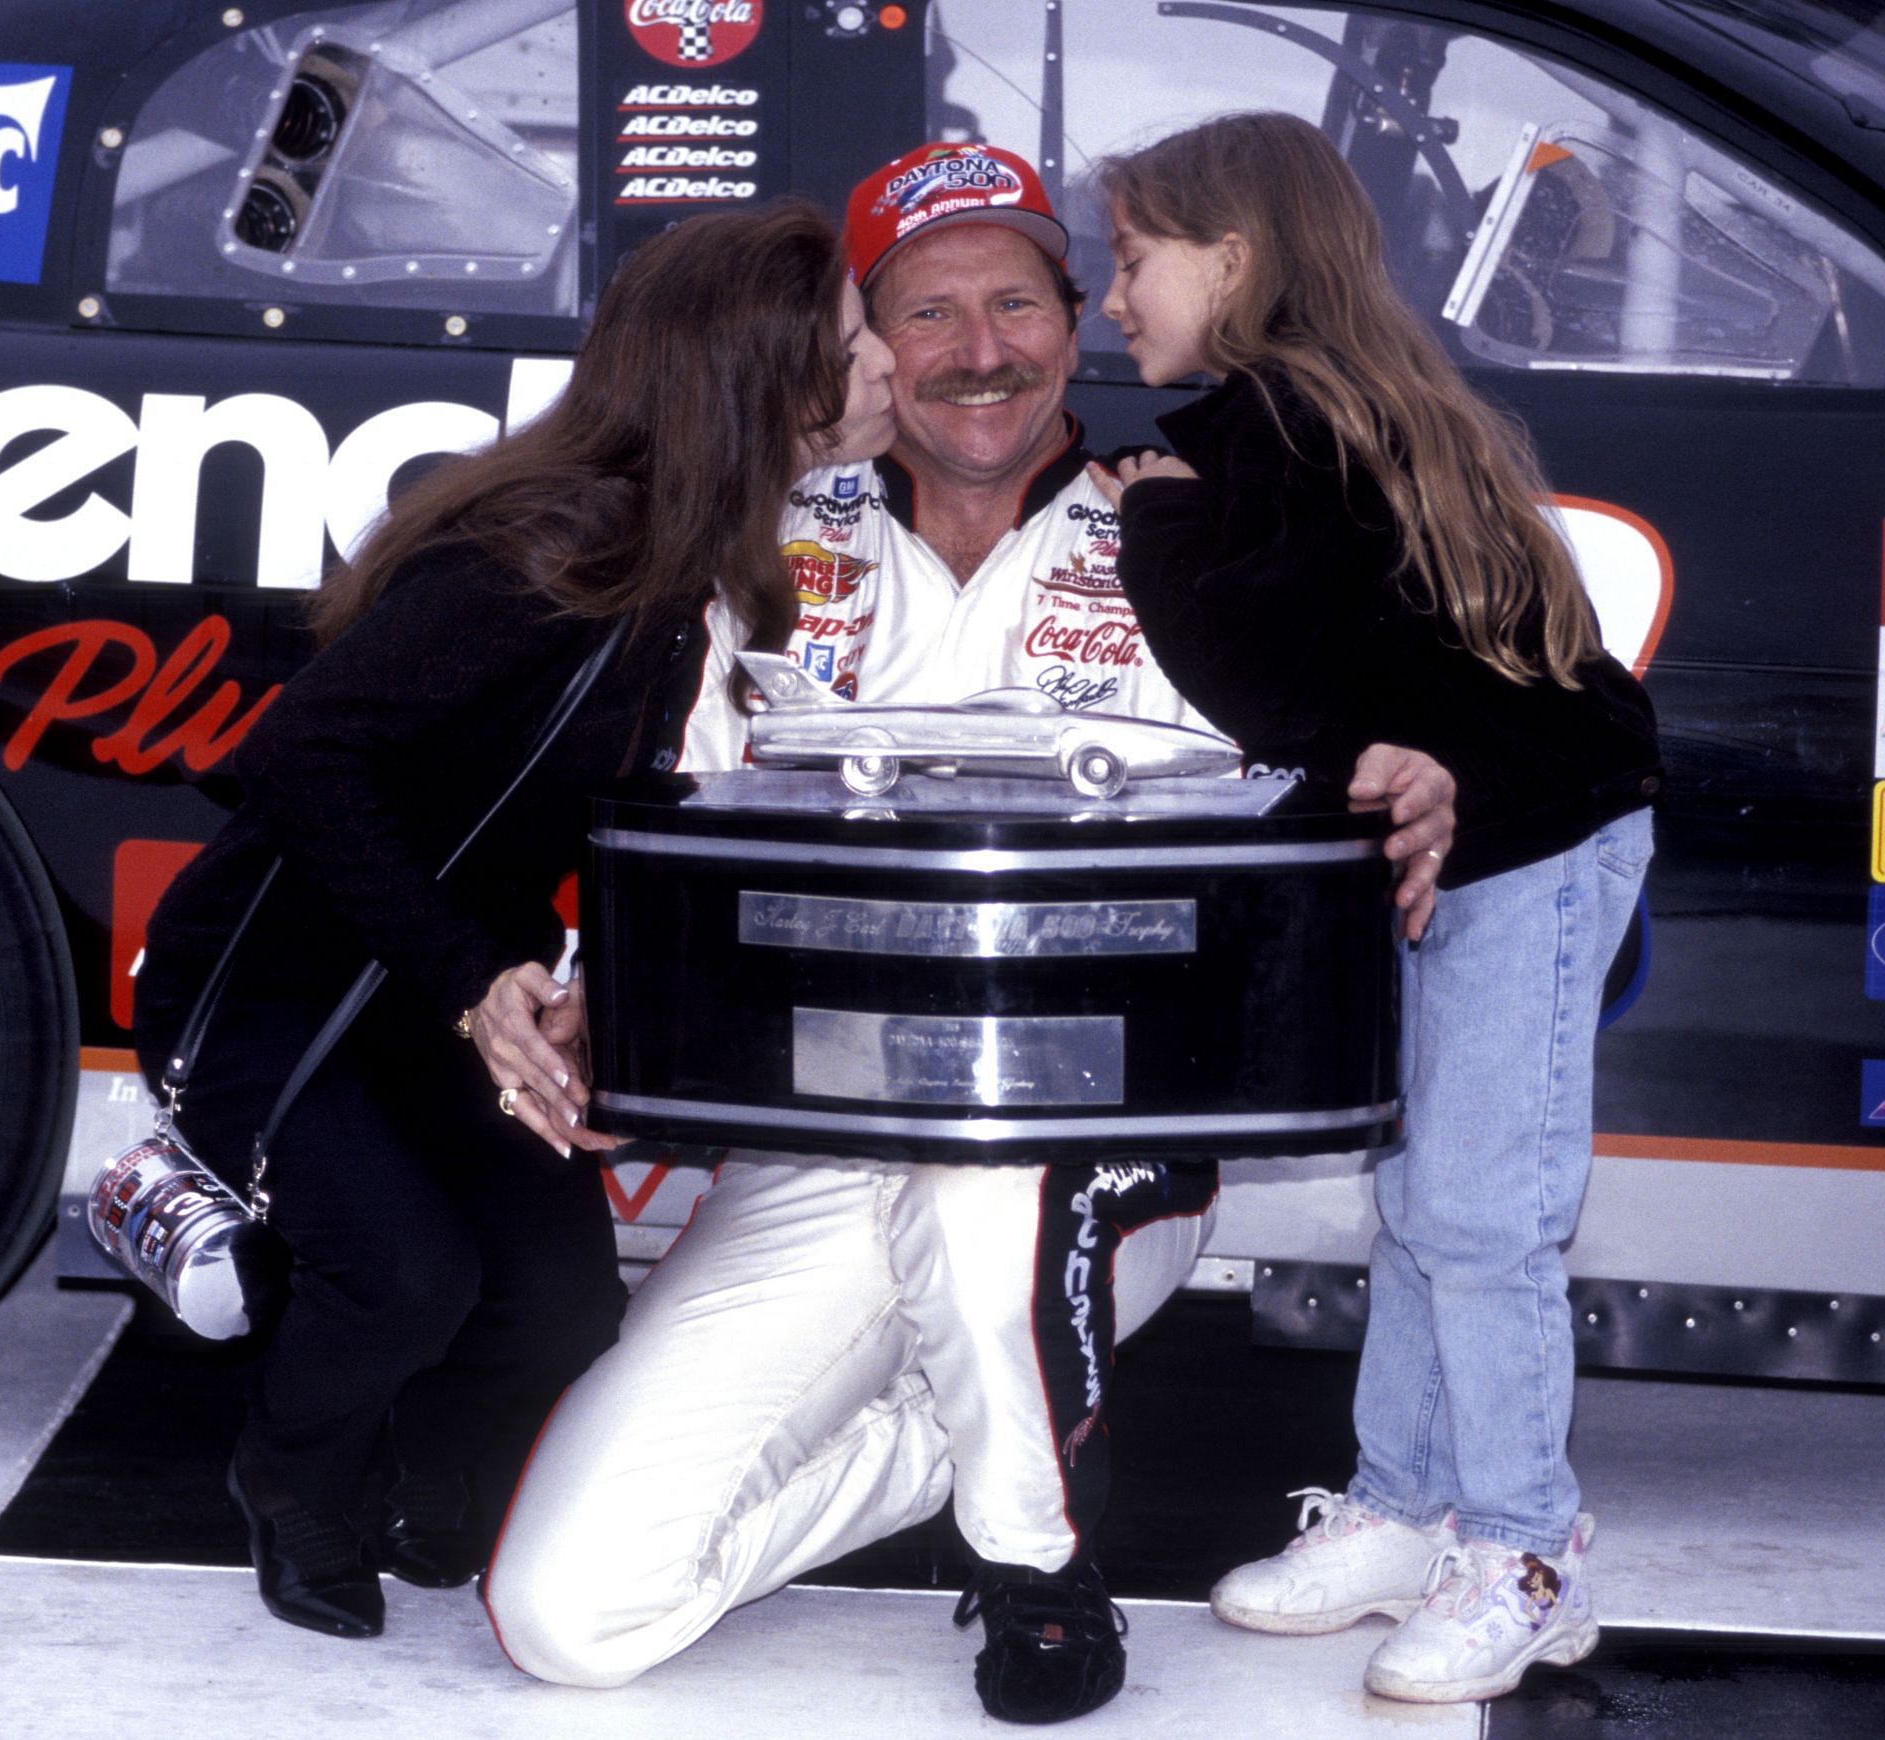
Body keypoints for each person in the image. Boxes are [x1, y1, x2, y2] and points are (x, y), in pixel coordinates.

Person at [485, 142, 1456, 1725]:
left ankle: (1032, 1563)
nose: (980, 350)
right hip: (815, 1144)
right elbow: (667, 828)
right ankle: (1001, 1421)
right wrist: (579, 997)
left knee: (983, 1186)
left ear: (1078, 321)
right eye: (926, 313)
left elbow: (1370, 741)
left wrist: (1420, 766)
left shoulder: (1198, 526)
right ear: (859, 349)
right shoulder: (764, 543)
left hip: (1088, 1150)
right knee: (564, 1615)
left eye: (1017, 300)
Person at [132, 200, 888, 1642]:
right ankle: (290, 1482)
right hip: (280, 987)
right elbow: (295, 759)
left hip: (439, 987)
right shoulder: (544, 547)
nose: (881, 371)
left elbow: (609, 818)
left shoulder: (690, 558)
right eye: (851, 346)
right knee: (409, 1277)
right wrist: (475, 977)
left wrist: (584, 999)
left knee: (555, 1309)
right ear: (756, 382)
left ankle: (430, 1472)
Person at [1090, 112, 1662, 1704]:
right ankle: (1407, 1508)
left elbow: (1257, 685)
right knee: (1425, 1204)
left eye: (1134, 262)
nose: (1111, 298)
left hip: (1533, 845)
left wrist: (1153, 509)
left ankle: (1527, 1551)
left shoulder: (1278, 430)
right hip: (1475, 836)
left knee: (1481, 1217)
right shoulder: (1337, 407)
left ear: (1236, 257)